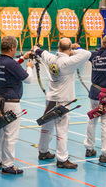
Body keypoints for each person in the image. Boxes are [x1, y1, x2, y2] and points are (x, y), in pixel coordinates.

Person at [36, 37, 91, 168]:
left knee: (47, 125)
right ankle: (62, 159)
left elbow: (41, 52)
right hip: (63, 101)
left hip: (51, 99)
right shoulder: (69, 61)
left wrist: (36, 49)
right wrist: (75, 49)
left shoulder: (51, 58)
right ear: (70, 48)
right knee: (62, 130)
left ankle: (43, 151)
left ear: (58, 47)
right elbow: (87, 53)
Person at [0, 36, 34, 176]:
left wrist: (22, 58)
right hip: (11, 104)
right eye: (15, 48)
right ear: (12, 48)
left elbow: (10, 66)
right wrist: (29, 67)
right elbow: (28, 79)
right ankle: (8, 165)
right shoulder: (12, 64)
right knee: (11, 136)